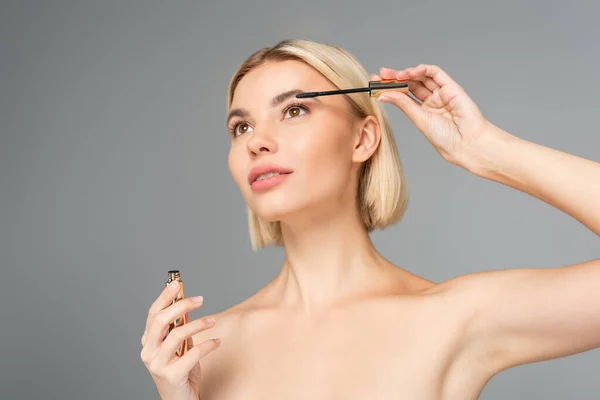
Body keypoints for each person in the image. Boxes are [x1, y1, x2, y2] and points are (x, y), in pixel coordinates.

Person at [140, 39, 600, 399]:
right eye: (241, 127)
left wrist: (485, 150)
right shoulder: (206, 350)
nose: (257, 141)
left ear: (363, 139)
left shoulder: (452, 319)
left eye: (294, 110)